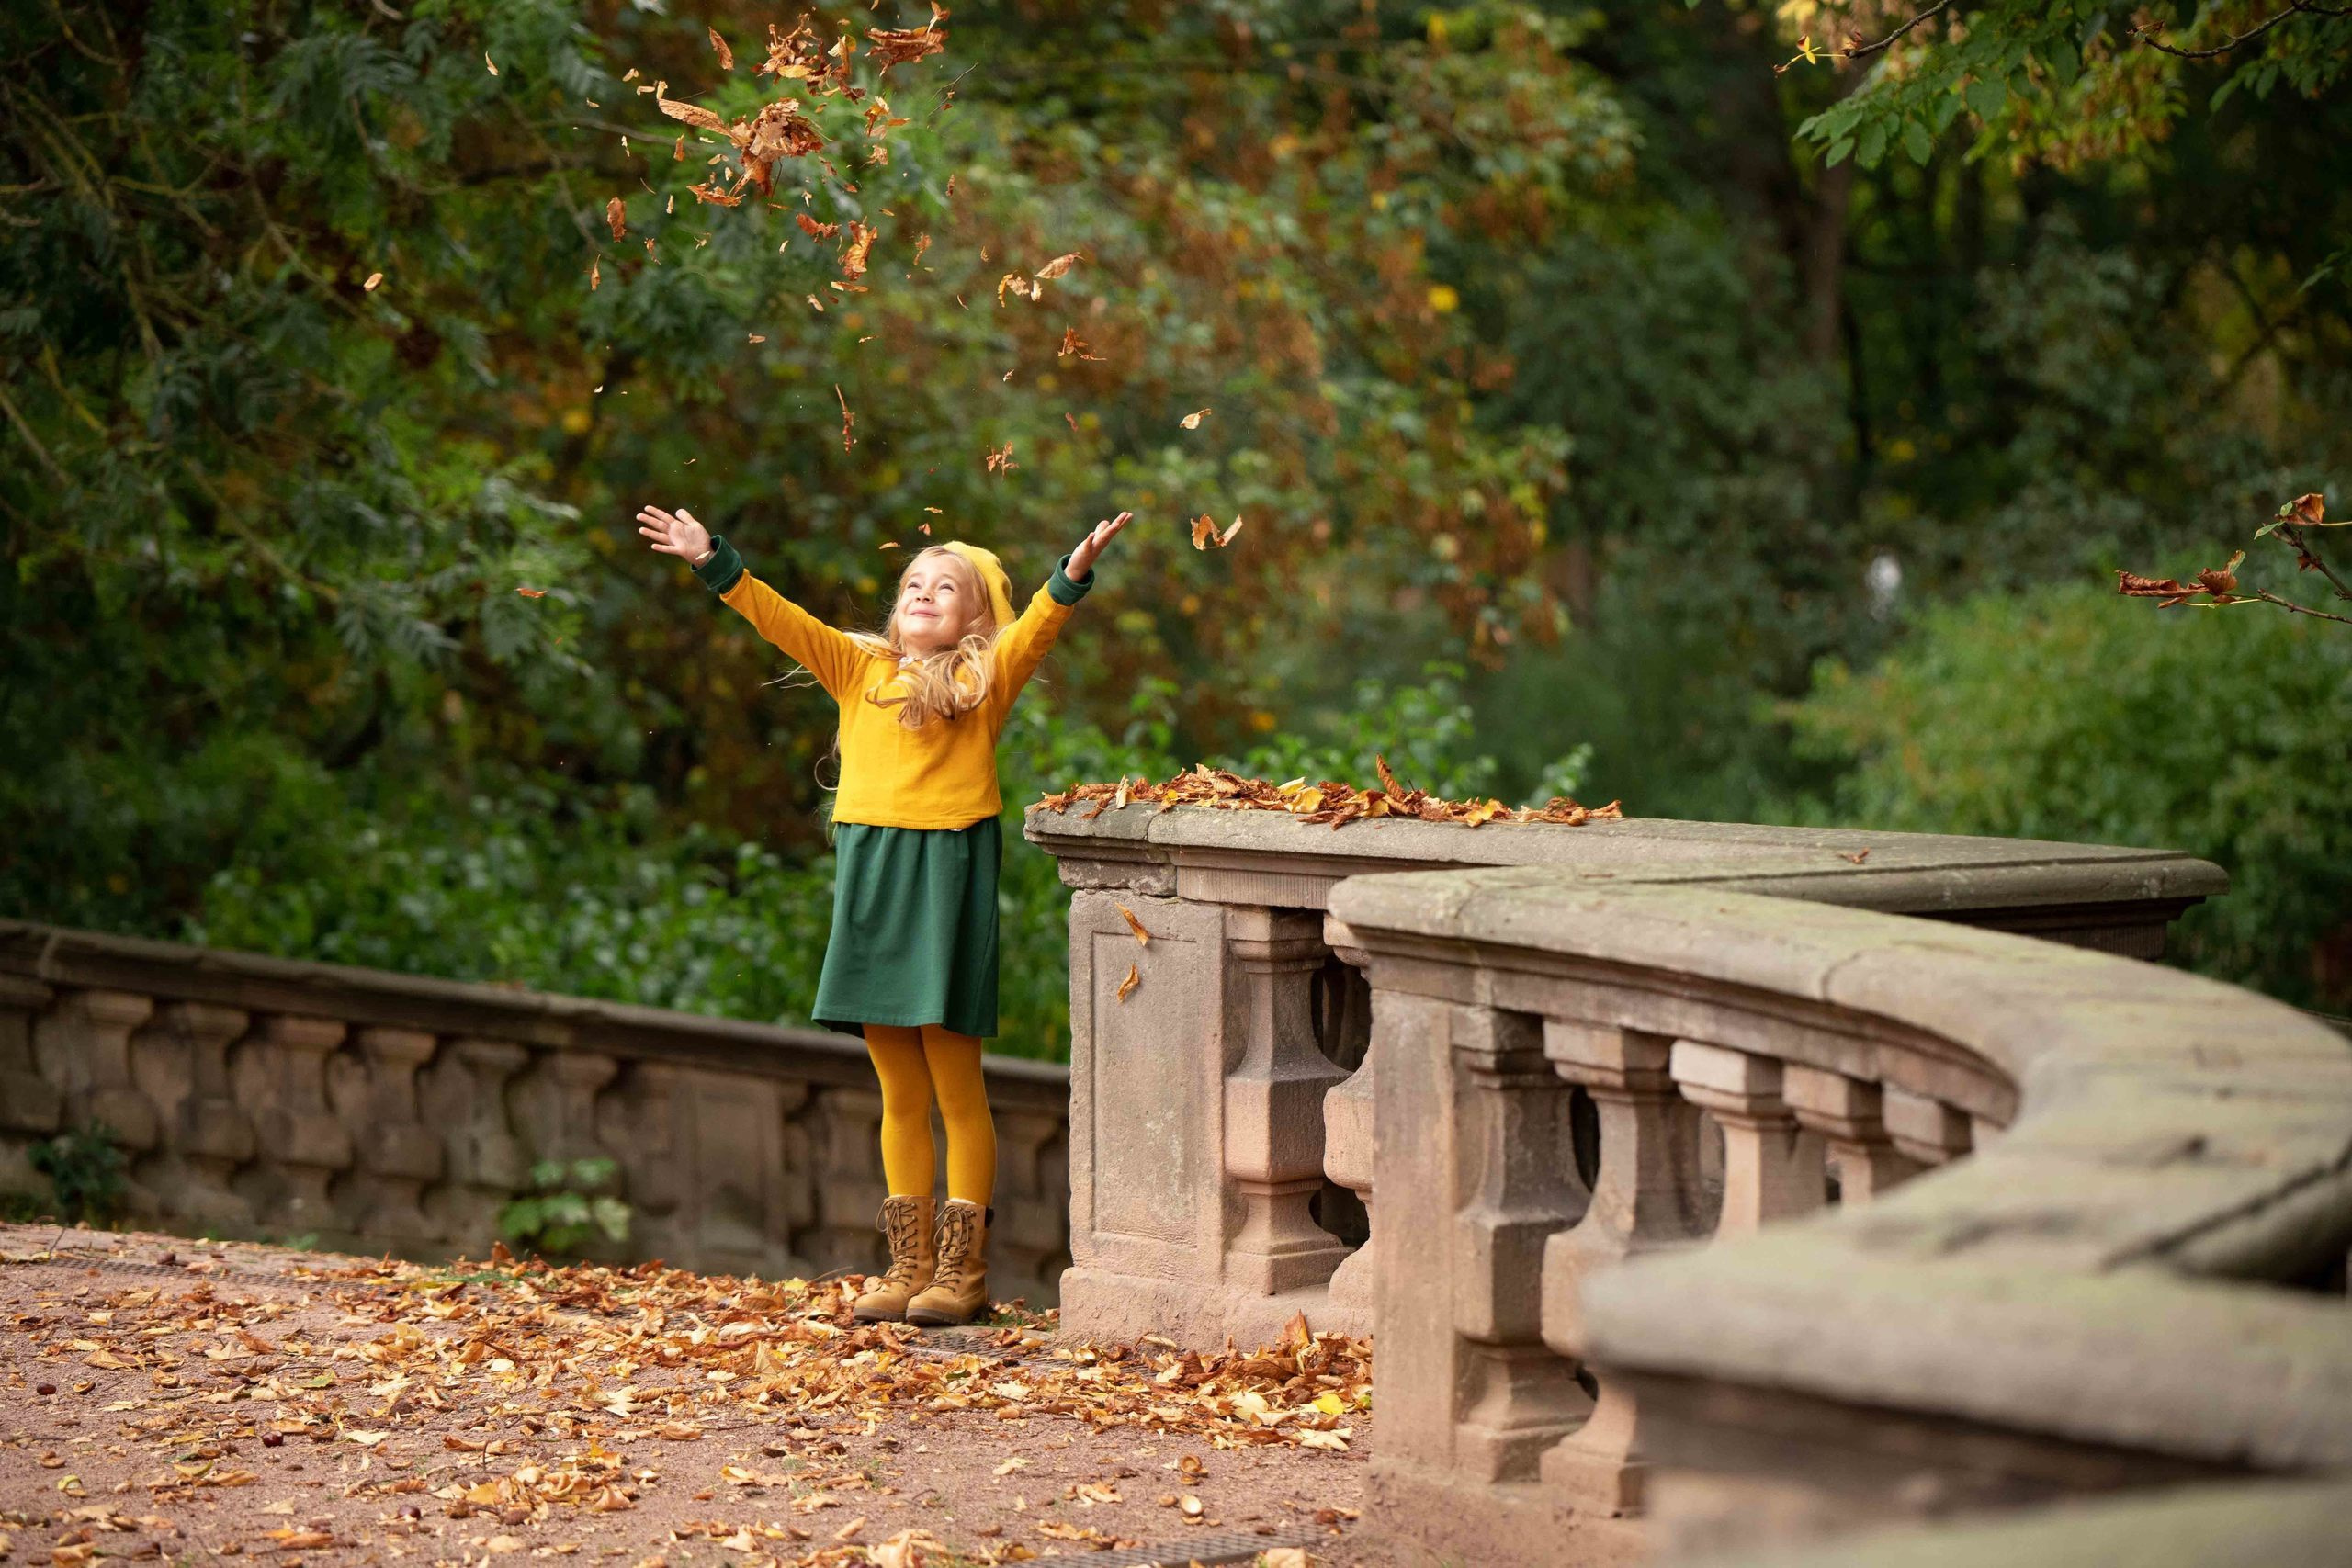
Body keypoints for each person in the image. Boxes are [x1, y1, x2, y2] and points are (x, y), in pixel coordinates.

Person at [634, 502, 1131, 1326]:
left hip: (946, 876)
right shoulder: (855, 667)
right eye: (913, 583)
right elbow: (778, 617)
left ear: (975, 616)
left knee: (954, 1081)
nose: (923, 593)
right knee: (898, 1086)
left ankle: (961, 1273)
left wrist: (1069, 576)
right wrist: (710, 558)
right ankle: (907, 1266)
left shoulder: (980, 683)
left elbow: (1034, 631)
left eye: (946, 587)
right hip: (872, 877)